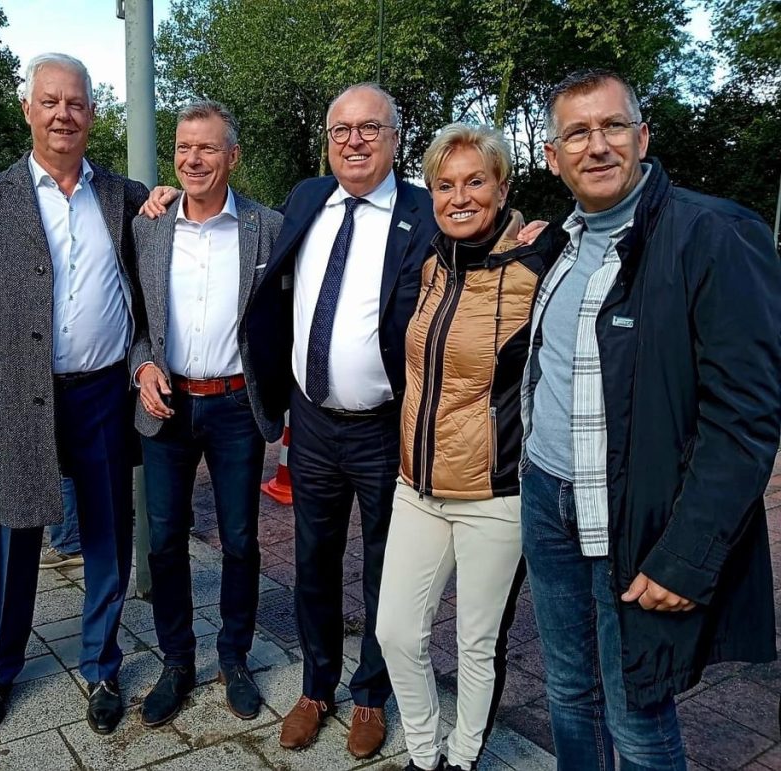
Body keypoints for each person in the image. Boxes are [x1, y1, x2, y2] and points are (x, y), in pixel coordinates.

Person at [521, 69, 780, 769]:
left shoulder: (713, 234)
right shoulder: (562, 243)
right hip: (548, 498)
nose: (597, 145)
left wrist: (688, 556)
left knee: (636, 712)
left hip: (634, 518)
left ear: (642, 135)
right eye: (577, 132)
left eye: (612, 126)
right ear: (553, 155)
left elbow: (746, 419)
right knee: (568, 691)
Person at [0, 52, 148, 737]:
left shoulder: (122, 195)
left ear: (92, 112)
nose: (64, 114)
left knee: (107, 532)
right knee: (14, 535)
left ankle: (102, 664)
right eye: (51, 101)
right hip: (17, 397)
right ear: (28, 109)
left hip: (103, 393)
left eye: (77, 102)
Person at [250, 83, 437, 759]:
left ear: (395, 139)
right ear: (327, 140)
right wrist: (161, 199)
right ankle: (316, 686)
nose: (354, 141)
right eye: (341, 130)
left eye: (369, 128)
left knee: (387, 567)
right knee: (313, 561)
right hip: (312, 422)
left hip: (385, 425)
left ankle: (371, 694)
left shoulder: (425, 210)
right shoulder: (306, 198)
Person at [373, 123, 547, 771]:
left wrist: (553, 234)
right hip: (417, 485)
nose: (460, 196)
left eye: (476, 181)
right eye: (445, 185)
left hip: (495, 495)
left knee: (477, 644)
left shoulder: (538, 266)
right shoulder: (433, 264)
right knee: (395, 630)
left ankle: (463, 757)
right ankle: (424, 753)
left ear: (502, 188)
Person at [131, 100, 283, 727]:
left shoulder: (267, 227)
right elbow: (136, 318)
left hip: (236, 405)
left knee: (240, 538)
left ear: (233, 156)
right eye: (183, 148)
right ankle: (176, 661)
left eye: (207, 148)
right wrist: (142, 366)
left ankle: (235, 657)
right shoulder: (148, 226)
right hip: (166, 405)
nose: (192, 160)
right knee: (165, 538)